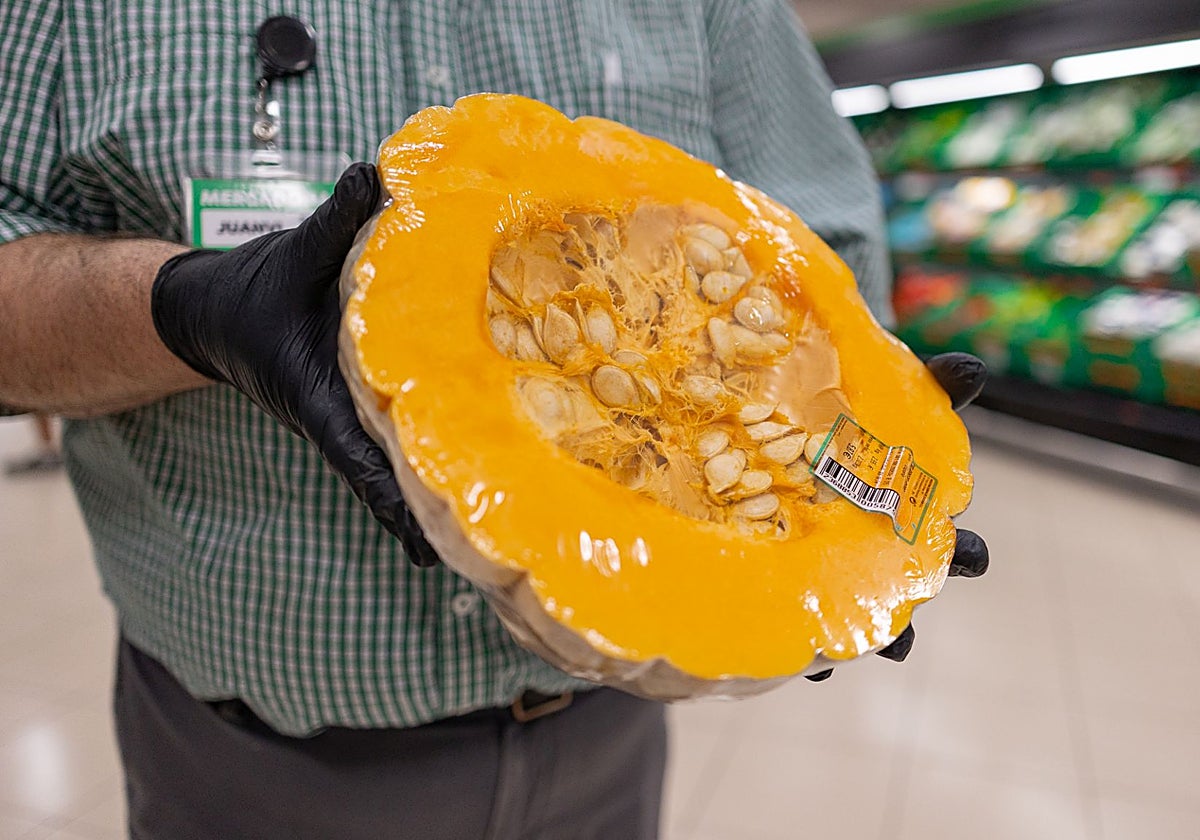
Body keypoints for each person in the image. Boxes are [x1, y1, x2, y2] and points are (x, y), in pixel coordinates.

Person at [0, 2, 988, 838]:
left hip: (609, 749)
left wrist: (841, 487)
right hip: (245, 770)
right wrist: (182, 309)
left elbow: (825, 248)